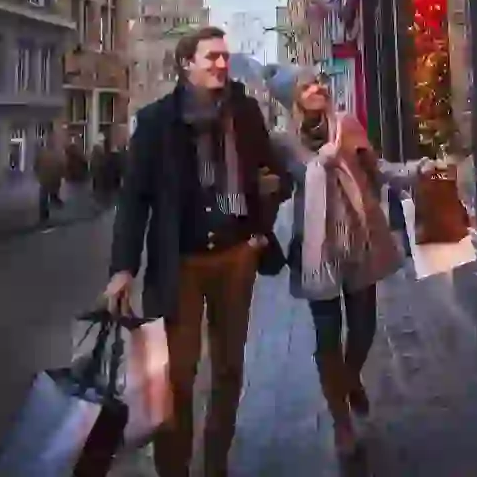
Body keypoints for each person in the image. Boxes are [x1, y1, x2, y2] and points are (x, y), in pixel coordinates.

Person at [100, 26, 292, 477]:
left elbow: (273, 173)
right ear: (187, 63)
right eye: (212, 58)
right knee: (178, 376)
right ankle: (175, 468)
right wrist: (122, 268)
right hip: (180, 263)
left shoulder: (244, 112)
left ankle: (216, 464)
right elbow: (134, 201)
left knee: (228, 368)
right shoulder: (156, 122)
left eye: (225, 57)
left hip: (235, 257)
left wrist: (260, 227)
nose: (221, 65)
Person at [265, 64, 435, 460]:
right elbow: (280, 186)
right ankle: (341, 423)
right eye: (308, 86)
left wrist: (418, 169)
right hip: (316, 249)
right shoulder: (283, 141)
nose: (318, 88)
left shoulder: (348, 124)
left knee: (362, 329)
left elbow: (381, 170)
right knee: (327, 338)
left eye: (319, 82)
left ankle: (350, 374)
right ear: (292, 97)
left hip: (360, 239)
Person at [32, 135, 65, 222]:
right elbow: (62, 166)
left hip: (45, 179)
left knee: (44, 196)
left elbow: (36, 165)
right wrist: (61, 175)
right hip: (53, 178)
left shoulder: (42, 154)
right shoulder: (57, 155)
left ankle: (44, 214)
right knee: (52, 194)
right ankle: (58, 206)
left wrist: (38, 175)